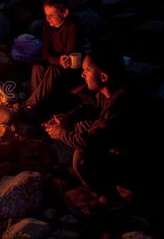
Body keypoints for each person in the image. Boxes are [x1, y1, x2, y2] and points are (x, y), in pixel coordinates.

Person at [43, 48, 148, 213]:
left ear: (103, 76)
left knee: (81, 160)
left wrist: (60, 133)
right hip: (123, 140)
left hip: (141, 162)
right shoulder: (113, 86)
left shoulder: (121, 104)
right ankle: (105, 178)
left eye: (86, 71)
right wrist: (68, 117)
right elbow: (91, 105)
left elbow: (88, 142)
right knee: (79, 126)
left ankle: (112, 198)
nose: (82, 75)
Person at [24, 0, 82, 114]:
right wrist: (56, 60)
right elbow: (45, 53)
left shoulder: (73, 27)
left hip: (70, 71)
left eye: (51, 15)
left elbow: (68, 57)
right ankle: (38, 107)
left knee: (52, 70)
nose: (48, 18)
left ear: (65, 13)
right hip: (55, 62)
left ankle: (30, 106)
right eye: (46, 15)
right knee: (37, 68)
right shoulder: (47, 25)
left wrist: (59, 61)